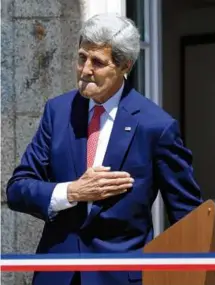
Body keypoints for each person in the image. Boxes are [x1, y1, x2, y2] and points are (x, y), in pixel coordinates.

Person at [6, 14, 202, 285]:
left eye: (97, 62)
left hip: (119, 277)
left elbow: (188, 217)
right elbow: (17, 189)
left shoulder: (155, 126)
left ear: (125, 66)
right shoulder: (58, 112)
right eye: (82, 57)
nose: (85, 69)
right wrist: (71, 192)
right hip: (57, 276)